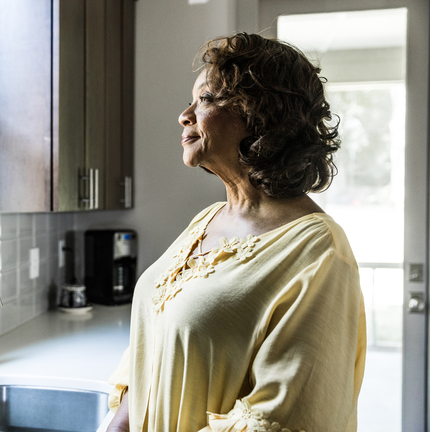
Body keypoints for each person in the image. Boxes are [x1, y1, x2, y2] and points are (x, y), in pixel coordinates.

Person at [105, 33, 366, 432]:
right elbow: (148, 356)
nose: (185, 114)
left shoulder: (320, 253)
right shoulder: (207, 219)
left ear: (262, 114)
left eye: (207, 98)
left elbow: (281, 418)